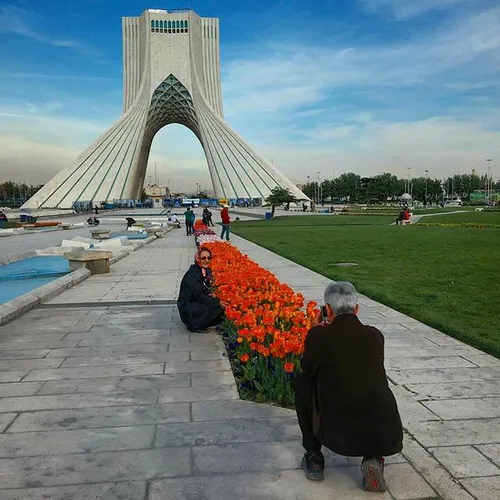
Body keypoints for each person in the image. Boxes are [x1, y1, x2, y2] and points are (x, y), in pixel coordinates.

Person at [294, 281, 403, 492]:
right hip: (385, 432)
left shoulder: (319, 336)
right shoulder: (374, 335)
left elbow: (308, 369)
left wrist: (313, 332)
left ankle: (314, 457)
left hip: (337, 433)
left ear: (327, 310)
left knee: (302, 383)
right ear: (357, 309)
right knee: (370, 382)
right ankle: (373, 458)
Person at [177, 246, 224, 333]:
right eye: (203, 258)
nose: (206, 260)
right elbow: (199, 296)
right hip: (188, 307)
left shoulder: (204, 270)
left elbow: (205, 289)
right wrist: (217, 301)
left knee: (218, 306)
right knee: (212, 306)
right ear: (198, 259)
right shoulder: (193, 275)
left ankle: (204, 322)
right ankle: (195, 326)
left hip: (195, 301)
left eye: (209, 257)